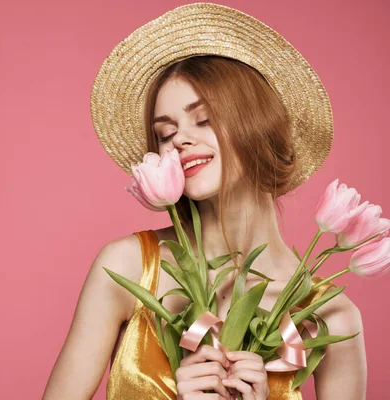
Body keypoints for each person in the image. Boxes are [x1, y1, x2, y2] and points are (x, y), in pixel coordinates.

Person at [43, 3, 366, 399]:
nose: (179, 139)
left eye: (205, 118)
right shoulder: (129, 268)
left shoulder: (329, 316)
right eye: (166, 133)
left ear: (258, 124)